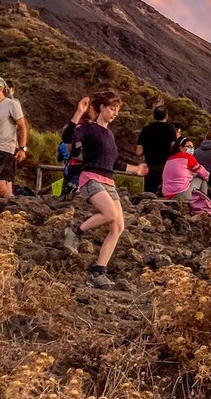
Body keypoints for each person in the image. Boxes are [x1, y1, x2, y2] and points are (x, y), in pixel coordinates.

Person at [62, 93, 148, 289]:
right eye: (112, 108)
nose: (115, 113)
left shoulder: (109, 134)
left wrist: (137, 169)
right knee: (109, 214)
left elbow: (114, 162)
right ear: (101, 107)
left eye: (117, 110)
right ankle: (75, 232)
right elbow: (68, 137)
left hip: (108, 181)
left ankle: (98, 272)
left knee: (118, 227)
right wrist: (79, 112)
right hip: (91, 177)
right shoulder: (89, 127)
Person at [136, 106, 176, 194]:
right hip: (165, 166)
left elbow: (138, 152)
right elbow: (174, 147)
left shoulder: (146, 129)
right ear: (166, 116)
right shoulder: (170, 128)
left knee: (148, 194)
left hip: (149, 166)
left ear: (154, 116)